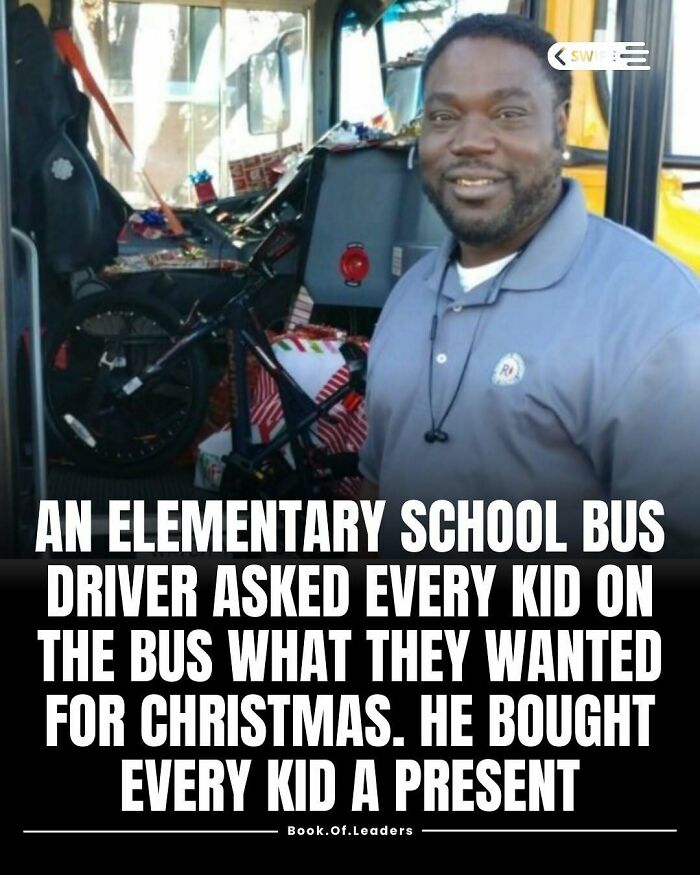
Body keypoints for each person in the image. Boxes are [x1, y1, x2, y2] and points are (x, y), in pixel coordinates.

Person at [358, 13, 700, 555]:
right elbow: (381, 488)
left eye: (509, 114)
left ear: (560, 126)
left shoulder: (657, 316)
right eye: (443, 116)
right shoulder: (409, 296)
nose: (470, 141)